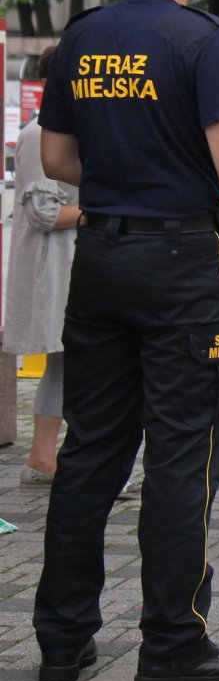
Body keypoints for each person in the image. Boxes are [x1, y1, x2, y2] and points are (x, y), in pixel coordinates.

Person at [32, 0, 219, 681]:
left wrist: (123, 170)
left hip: (101, 252)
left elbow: (59, 158)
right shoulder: (204, 42)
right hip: (180, 260)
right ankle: (172, 643)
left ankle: (63, 640)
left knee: (90, 447)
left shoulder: (83, 37)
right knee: (182, 450)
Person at [5, 40, 80, 487]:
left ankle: (44, 454)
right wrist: (98, 214)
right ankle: (45, 453)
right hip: (54, 264)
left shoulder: (57, 130)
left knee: (64, 362)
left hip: (66, 262)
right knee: (68, 359)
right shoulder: (40, 135)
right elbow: (45, 211)